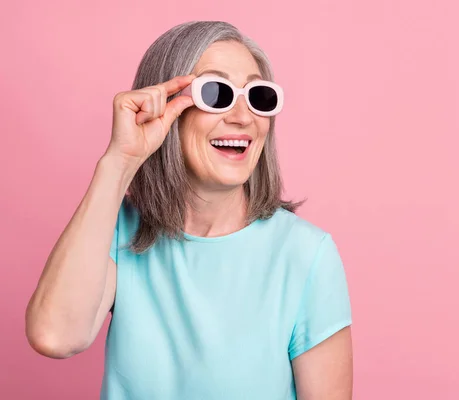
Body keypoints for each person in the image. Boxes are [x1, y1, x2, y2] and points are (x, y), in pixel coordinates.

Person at [25, 20, 353, 399]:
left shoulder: (306, 256)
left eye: (258, 97)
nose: (243, 118)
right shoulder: (116, 234)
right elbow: (54, 336)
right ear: (165, 109)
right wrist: (119, 162)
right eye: (217, 93)